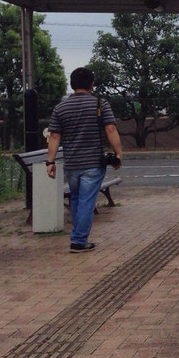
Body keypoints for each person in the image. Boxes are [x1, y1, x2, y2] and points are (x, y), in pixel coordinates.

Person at [45, 67, 124, 253]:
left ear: (72, 84)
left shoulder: (60, 107)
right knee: (86, 202)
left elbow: (54, 136)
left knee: (76, 199)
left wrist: (50, 162)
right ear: (91, 84)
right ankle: (79, 241)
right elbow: (110, 129)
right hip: (93, 163)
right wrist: (118, 153)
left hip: (72, 163)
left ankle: (77, 236)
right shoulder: (99, 104)